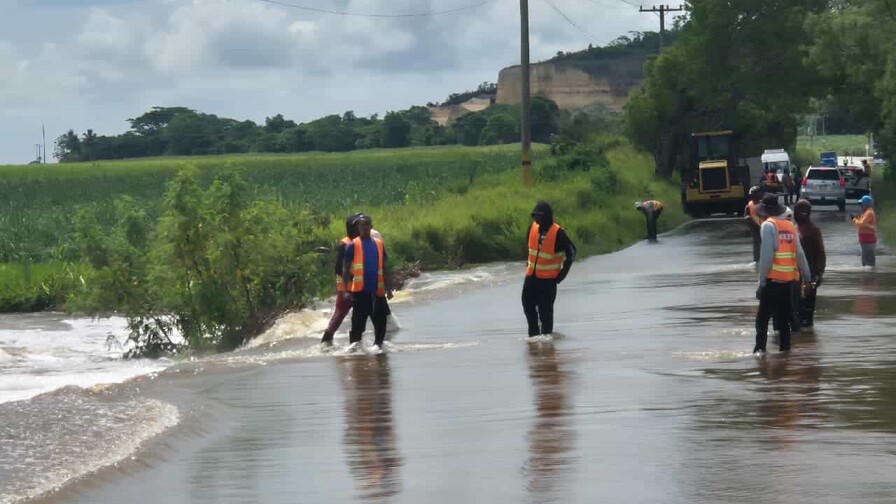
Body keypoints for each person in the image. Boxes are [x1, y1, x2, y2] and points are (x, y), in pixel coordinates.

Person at [753, 194, 811, 354]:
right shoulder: (789, 225)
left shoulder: (768, 226)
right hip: (789, 282)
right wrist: (807, 278)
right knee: (784, 320)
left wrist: (761, 284)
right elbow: (800, 254)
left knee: (762, 319)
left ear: (764, 211)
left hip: (772, 281)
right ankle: (785, 354)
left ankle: (760, 353)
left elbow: (766, 258)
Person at [523, 201, 576, 337]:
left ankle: (547, 343)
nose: (536, 219)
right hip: (531, 277)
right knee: (527, 305)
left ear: (547, 217)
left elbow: (572, 253)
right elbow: (529, 248)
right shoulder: (532, 228)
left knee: (545, 312)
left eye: (539, 216)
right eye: (534, 216)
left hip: (548, 281)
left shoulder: (558, 233)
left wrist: (562, 275)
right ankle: (534, 337)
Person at [343, 214, 394, 350]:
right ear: (358, 228)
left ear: (371, 227)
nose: (364, 228)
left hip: (377, 291)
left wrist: (388, 289)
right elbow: (346, 269)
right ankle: (354, 351)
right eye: (361, 225)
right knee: (357, 325)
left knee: (381, 321)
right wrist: (346, 290)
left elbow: (384, 267)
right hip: (360, 292)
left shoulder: (378, 244)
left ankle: (378, 347)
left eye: (367, 225)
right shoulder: (352, 245)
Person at [321, 214, 362, 346]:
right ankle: (326, 342)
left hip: (360, 287)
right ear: (351, 228)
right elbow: (339, 268)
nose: (361, 228)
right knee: (339, 316)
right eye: (358, 225)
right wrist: (354, 278)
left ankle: (355, 344)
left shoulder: (361, 242)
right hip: (347, 288)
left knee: (360, 316)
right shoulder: (345, 244)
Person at [793, 199, 826, 328]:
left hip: (810, 275)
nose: (801, 213)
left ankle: (808, 341)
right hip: (794, 276)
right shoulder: (793, 228)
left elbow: (821, 253)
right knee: (795, 310)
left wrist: (819, 274)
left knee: (807, 312)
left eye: (804, 210)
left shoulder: (813, 230)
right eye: (799, 210)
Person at [850, 195, 877, 267]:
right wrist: (856, 219)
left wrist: (854, 219)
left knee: (868, 263)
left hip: (868, 240)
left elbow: (861, 224)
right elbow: (862, 223)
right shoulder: (866, 212)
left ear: (866, 204)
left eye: (861, 204)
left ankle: (870, 277)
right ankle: (868, 277)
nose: (860, 206)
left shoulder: (869, 213)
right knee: (865, 261)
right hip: (865, 240)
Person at [744, 186, 764, 262]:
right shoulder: (748, 206)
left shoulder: (763, 205)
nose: (754, 197)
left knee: (765, 243)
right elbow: (745, 216)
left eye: (756, 195)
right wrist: (748, 218)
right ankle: (756, 259)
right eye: (753, 195)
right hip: (754, 227)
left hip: (764, 227)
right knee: (756, 243)